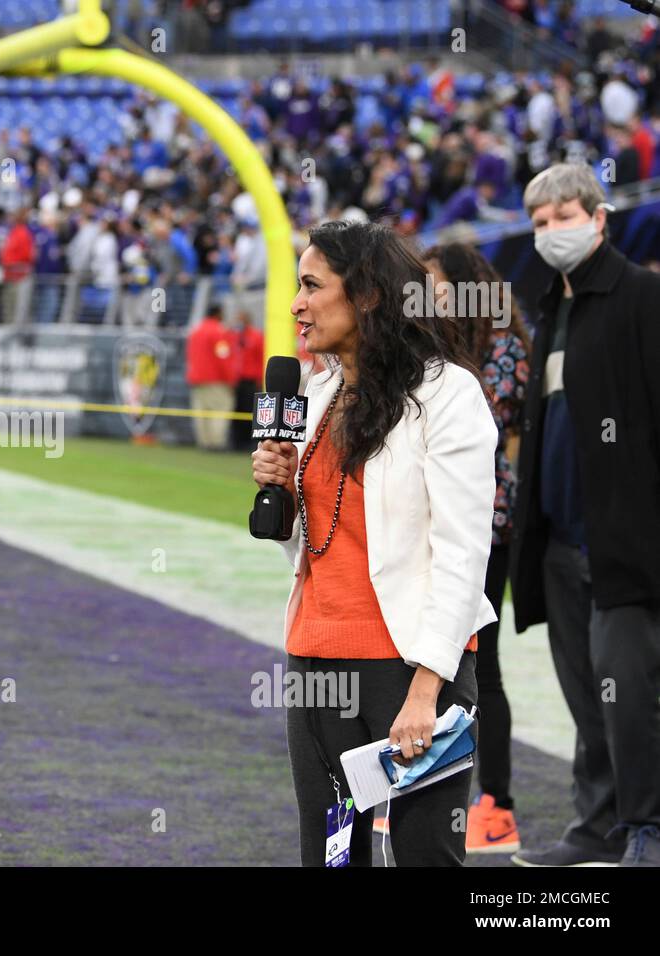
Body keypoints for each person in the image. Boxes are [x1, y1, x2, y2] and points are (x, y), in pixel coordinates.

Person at [252, 219, 498, 866]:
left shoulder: (448, 393)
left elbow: (463, 550)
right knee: (330, 857)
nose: (296, 304)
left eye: (312, 286)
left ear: (366, 295)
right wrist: (285, 500)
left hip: (409, 668)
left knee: (426, 859)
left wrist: (426, 691)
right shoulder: (321, 388)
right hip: (315, 662)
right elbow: (320, 545)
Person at [509, 162, 660, 867]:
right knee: (585, 694)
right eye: (540, 222)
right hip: (559, 540)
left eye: (564, 217)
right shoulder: (551, 310)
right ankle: (597, 823)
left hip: (625, 542)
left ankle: (647, 827)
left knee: (630, 692)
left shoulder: (642, 298)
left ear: (599, 220)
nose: (551, 233)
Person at [414, 241, 531, 854]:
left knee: (478, 662)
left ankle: (498, 803)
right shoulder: (439, 348)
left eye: (436, 285)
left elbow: (477, 421)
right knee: (426, 655)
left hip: (489, 522)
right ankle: (420, 791)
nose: (428, 297)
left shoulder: (502, 345)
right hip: (431, 522)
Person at [185, 303, 236, 450]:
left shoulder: (196, 330)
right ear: (218, 313)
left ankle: (204, 442)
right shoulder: (219, 331)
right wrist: (230, 380)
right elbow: (223, 357)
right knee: (220, 410)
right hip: (216, 379)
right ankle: (216, 443)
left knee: (201, 411)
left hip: (197, 378)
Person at [228, 309, 264, 450]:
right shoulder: (233, 336)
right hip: (236, 381)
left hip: (251, 381)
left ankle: (249, 443)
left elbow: (261, 358)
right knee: (236, 411)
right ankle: (236, 442)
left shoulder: (256, 336)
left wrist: (260, 379)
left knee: (250, 412)